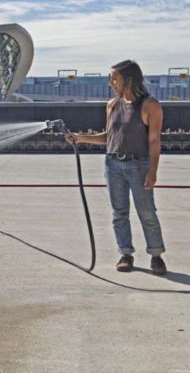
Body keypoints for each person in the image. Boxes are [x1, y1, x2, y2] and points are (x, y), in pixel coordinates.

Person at [66, 60, 167, 275]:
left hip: (139, 164)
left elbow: (154, 141)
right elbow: (109, 137)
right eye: (110, 77)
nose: (111, 82)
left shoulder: (150, 105)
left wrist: (153, 171)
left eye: (114, 78)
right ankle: (125, 253)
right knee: (119, 212)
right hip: (113, 164)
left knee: (146, 211)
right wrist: (80, 138)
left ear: (129, 79)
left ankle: (156, 255)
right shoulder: (112, 104)